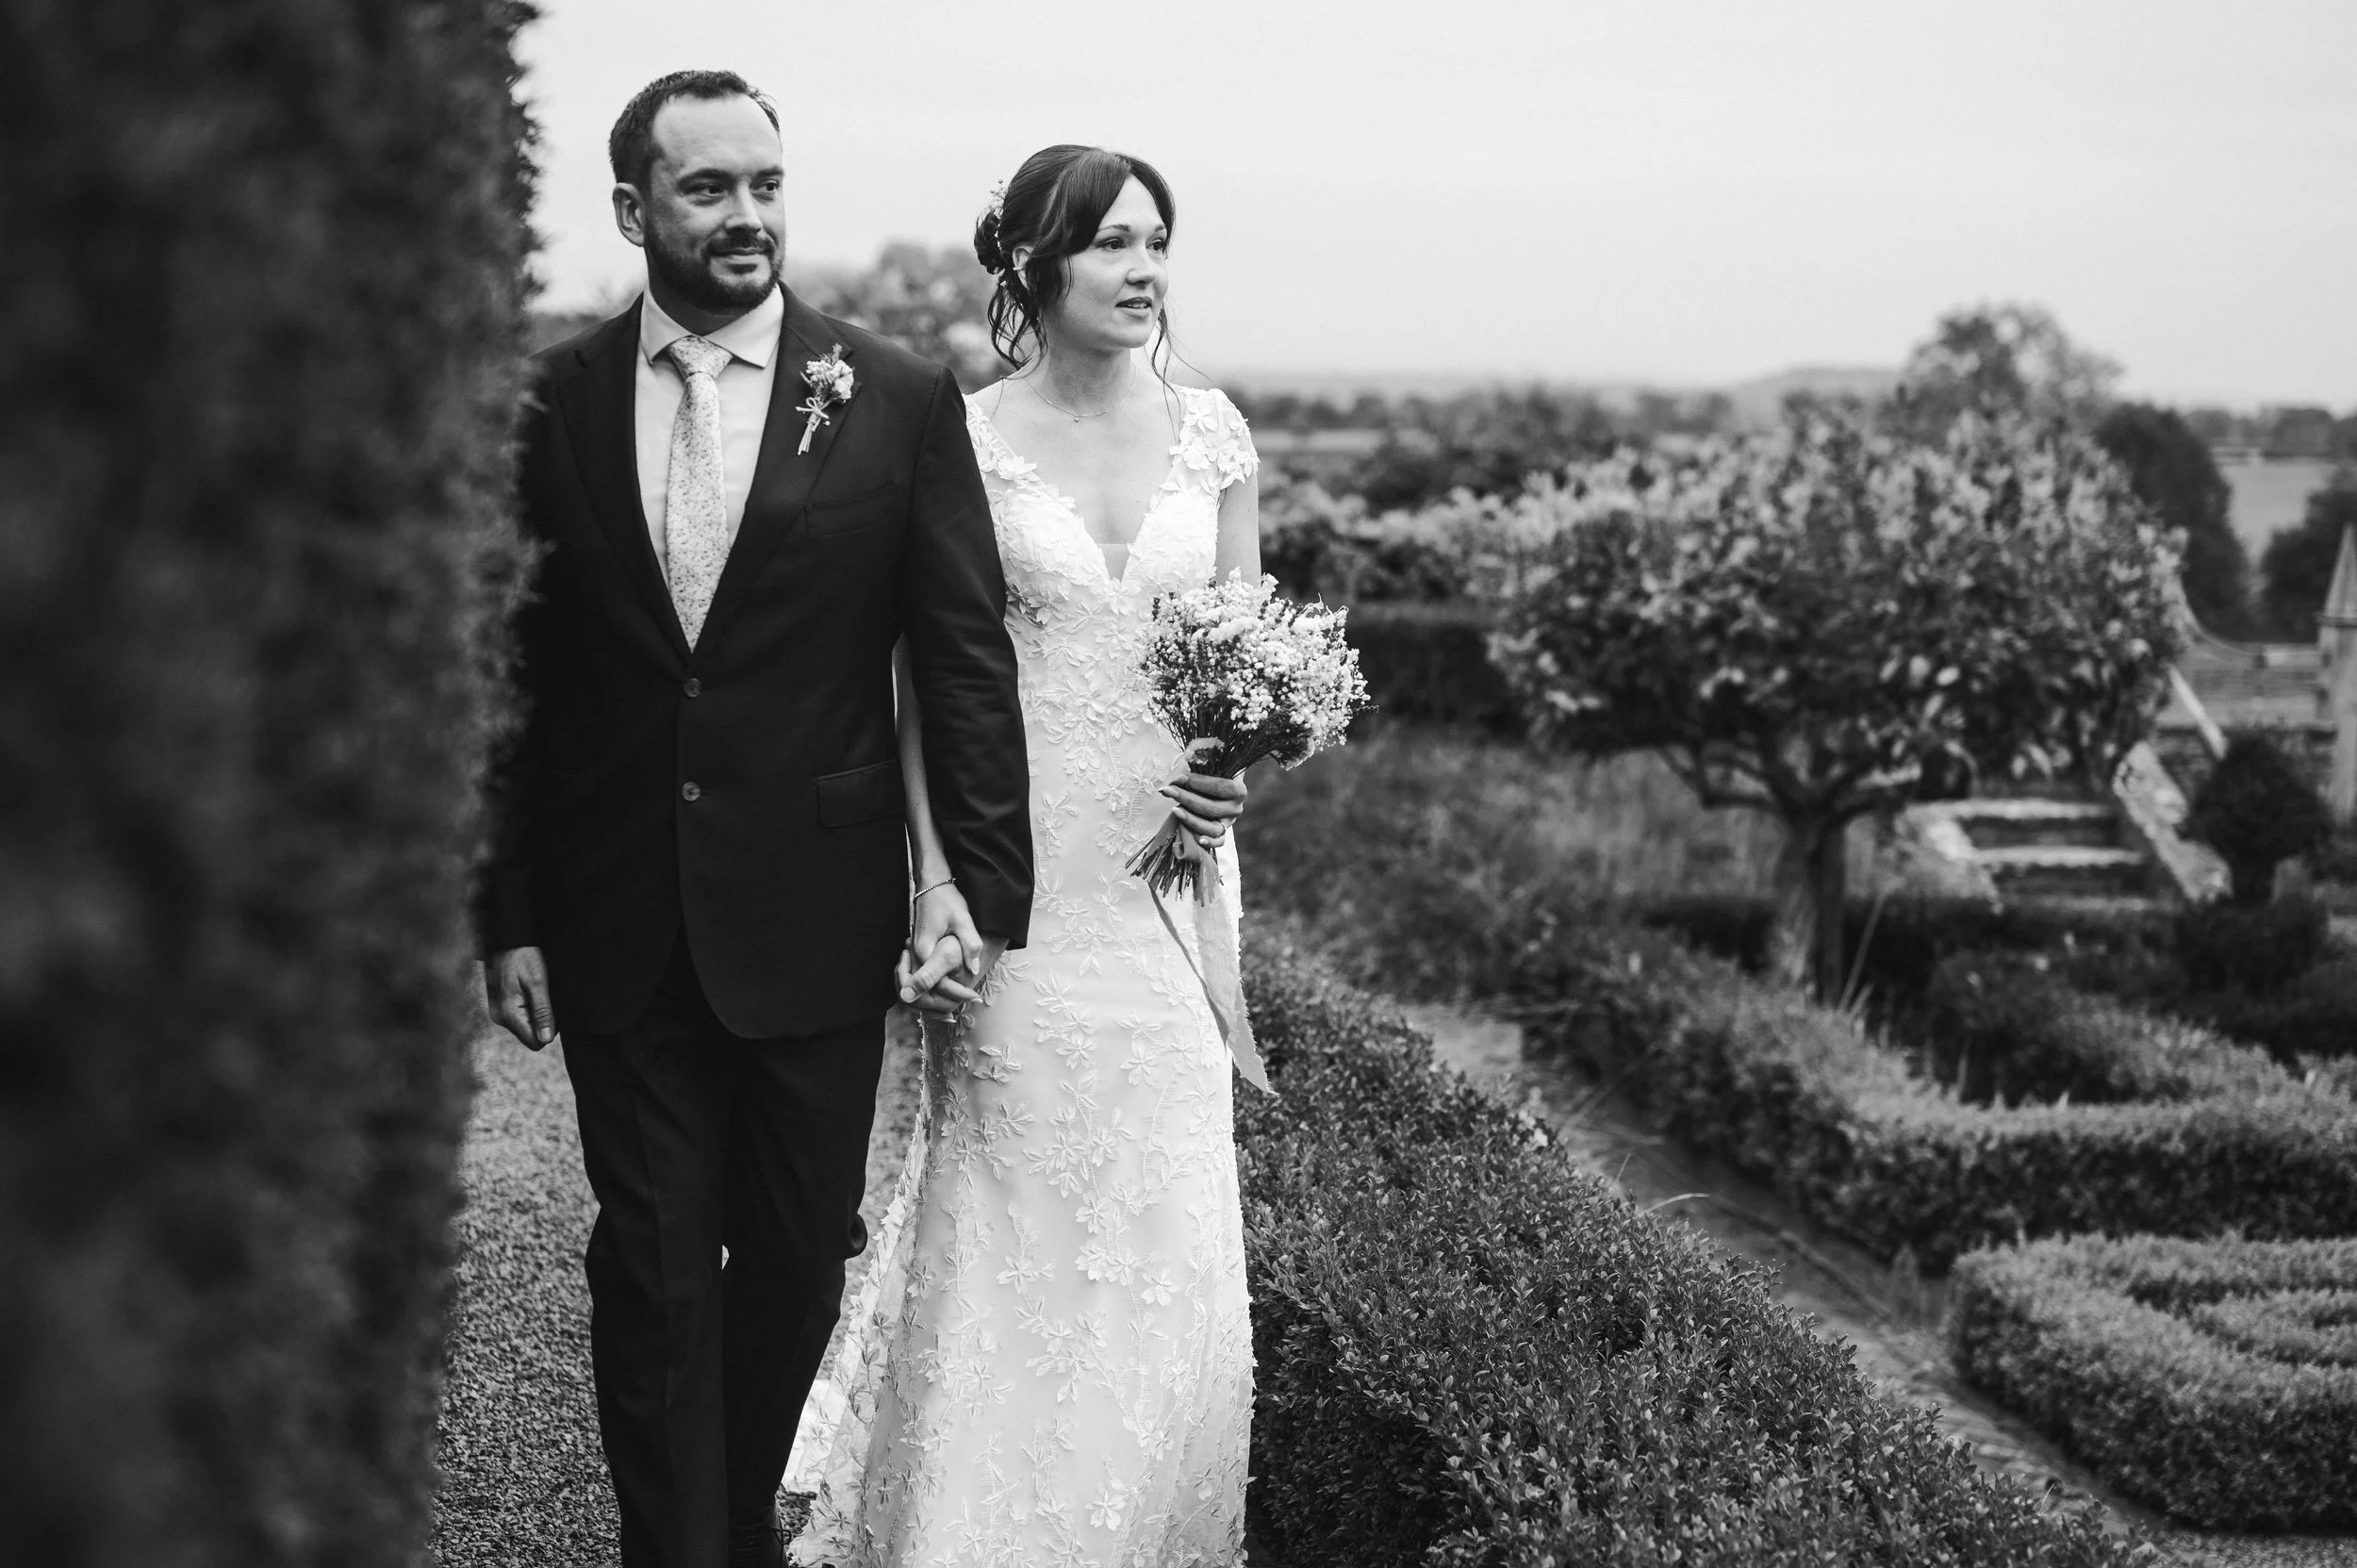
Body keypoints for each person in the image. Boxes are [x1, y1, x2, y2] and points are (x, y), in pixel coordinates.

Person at [477, 72, 1035, 1568]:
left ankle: (735, 1525)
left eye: (765, 186)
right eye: (708, 188)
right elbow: (511, 670)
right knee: (654, 1266)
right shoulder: (549, 404)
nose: (746, 216)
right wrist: (505, 905)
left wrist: (973, 883)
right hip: (617, 911)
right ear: (633, 209)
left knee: (792, 1267)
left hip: (817, 908)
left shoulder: (897, 398)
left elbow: (961, 648)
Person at [788, 145, 1261, 1568]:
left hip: (1173, 893)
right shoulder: (964, 440)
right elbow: (919, 687)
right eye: (1111, 243)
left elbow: (1248, 670)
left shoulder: (1220, 437)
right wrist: (938, 882)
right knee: (1012, 1214)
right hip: (1019, 882)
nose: (1143, 269)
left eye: (1159, 242)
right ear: (1032, 268)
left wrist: (1236, 775)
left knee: (1167, 1235)